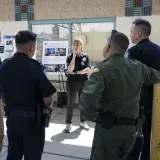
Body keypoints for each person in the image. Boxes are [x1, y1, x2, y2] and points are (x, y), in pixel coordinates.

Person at [79, 30, 160, 160]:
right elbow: (156, 76)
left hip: (108, 130)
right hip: (131, 132)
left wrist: (94, 117)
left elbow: (88, 97)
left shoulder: (102, 69)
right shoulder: (138, 67)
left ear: (108, 47)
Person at [0, 31, 57, 160]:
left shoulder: (4, 66)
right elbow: (47, 100)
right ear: (31, 48)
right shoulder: (35, 67)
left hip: (12, 118)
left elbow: (1, 93)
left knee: (13, 154)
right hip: (33, 122)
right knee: (33, 156)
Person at [126, 19, 160, 160]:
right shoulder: (158, 50)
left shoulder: (133, 52)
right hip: (156, 103)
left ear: (138, 33)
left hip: (138, 102)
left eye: (131, 32)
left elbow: (128, 79)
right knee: (151, 135)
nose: (130, 34)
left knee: (136, 135)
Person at [64, 39, 91, 133]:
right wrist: (74, 57)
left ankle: (83, 122)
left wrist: (78, 72)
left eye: (77, 45)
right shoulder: (69, 57)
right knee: (70, 104)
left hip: (83, 82)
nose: (75, 47)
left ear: (81, 47)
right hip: (72, 83)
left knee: (83, 103)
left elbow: (88, 69)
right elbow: (70, 69)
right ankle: (68, 123)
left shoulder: (86, 56)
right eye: (74, 45)